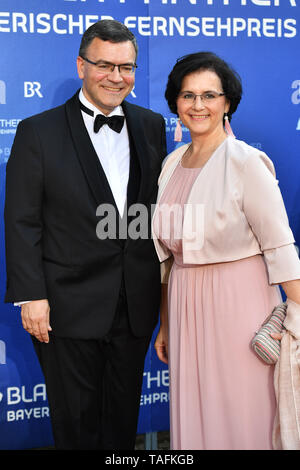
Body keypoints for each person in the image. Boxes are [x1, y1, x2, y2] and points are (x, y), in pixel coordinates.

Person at [4, 19, 166, 450]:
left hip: (134, 305)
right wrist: (31, 296)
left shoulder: (151, 126)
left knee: (121, 421)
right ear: (81, 66)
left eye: (127, 67)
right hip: (65, 306)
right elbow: (22, 220)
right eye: (105, 65)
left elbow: (150, 214)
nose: (117, 77)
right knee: (76, 426)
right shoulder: (38, 131)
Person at [152, 51, 300, 450]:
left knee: (241, 410)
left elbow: (281, 246)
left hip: (240, 306)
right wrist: (165, 323)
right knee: (196, 410)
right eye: (188, 95)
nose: (198, 105)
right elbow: (166, 259)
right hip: (184, 304)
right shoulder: (170, 164)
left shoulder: (247, 162)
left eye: (209, 95)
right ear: (175, 104)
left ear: (227, 102)